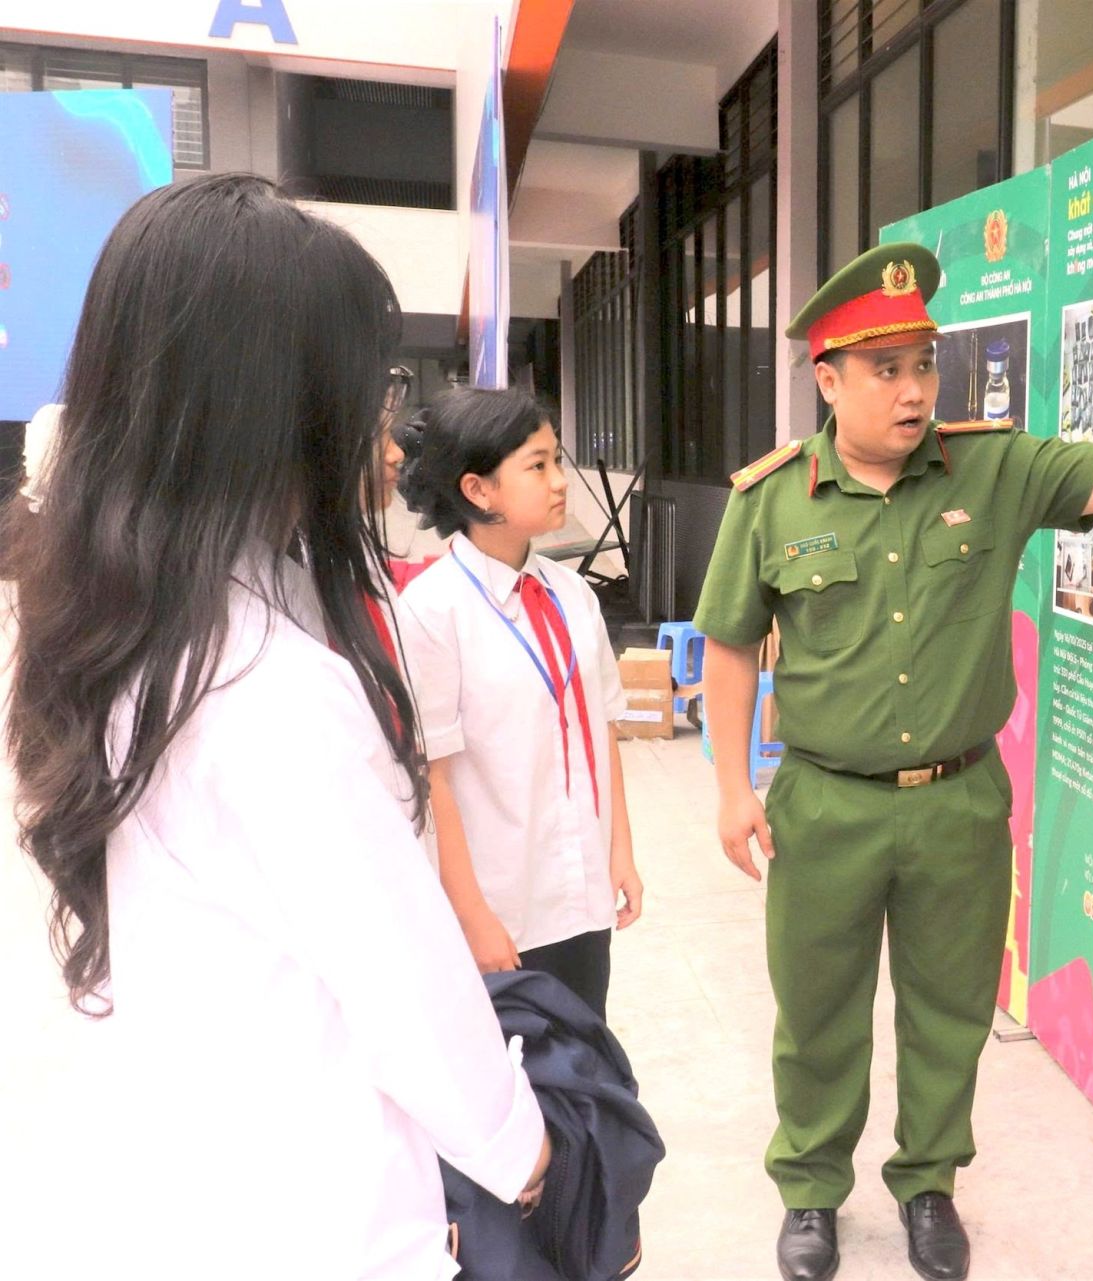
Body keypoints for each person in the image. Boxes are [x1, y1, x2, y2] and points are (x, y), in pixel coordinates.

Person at [694, 241, 1093, 1281]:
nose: (912, 391)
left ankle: (929, 1184)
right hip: (824, 804)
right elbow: (728, 643)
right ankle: (812, 1190)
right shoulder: (773, 500)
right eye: (885, 370)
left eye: (922, 365)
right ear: (828, 379)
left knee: (950, 1009)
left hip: (955, 803)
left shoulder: (989, 468)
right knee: (817, 1010)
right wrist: (732, 789)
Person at [2, 173, 551, 1279]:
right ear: (273, 406)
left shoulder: (133, 620)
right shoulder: (272, 693)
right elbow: (412, 995)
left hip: (210, 1166)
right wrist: (525, 1146)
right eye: (368, 384)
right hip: (320, 1211)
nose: (387, 432)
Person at [394, 386, 642, 1020]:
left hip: (581, 895)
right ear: (478, 491)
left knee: (583, 1072)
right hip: (502, 909)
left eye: (557, 460)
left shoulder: (573, 595)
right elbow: (433, 777)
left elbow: (599, 729)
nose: (560, 481)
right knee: (519, 1085)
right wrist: (472, 915)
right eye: (538, 465)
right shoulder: (431, 613)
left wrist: (619, 854)